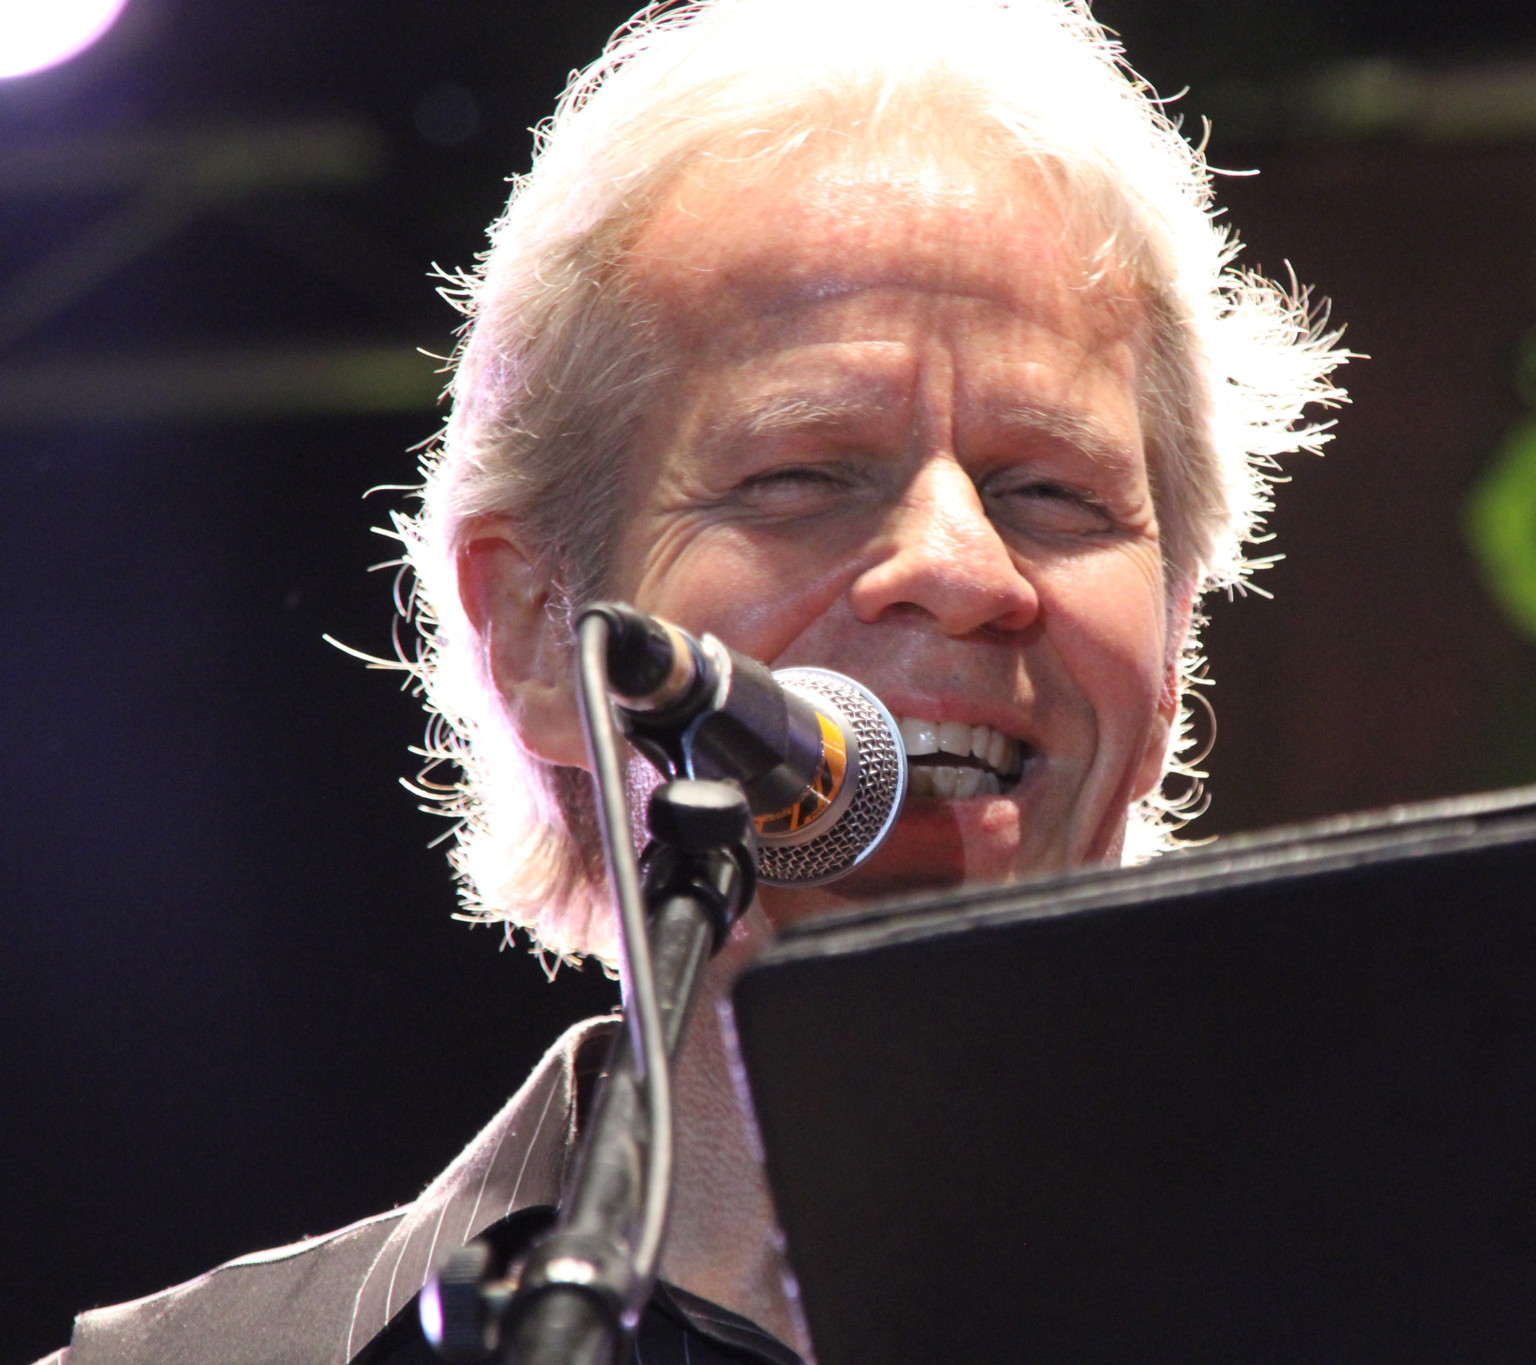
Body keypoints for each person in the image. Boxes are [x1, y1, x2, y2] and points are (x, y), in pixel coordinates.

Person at [42, 0, 1343, 1360]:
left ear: (1173, 641)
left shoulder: (1449, 1291)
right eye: (803, 475)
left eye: (1052, 492)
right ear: (538, 634)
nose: (960, 567)